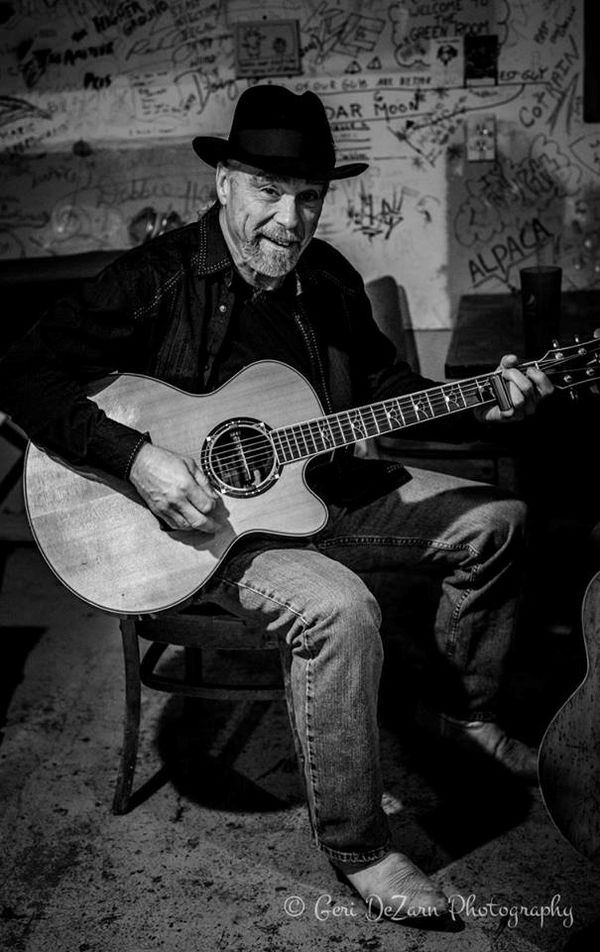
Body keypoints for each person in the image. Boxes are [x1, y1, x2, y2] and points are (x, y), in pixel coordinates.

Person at [0, 84, 553, 925]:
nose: (289, 222)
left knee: (497, 521)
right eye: (268, 191)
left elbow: (385, 387)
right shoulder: (155, 278)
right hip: (206, 533)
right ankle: (362, 848)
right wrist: (138, 458)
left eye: (309, 197)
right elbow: (20, 373)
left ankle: (465, 717)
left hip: (321, 494)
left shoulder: (326, 278)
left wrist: (484, 401)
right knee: (339, 608)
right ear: (223, 182)